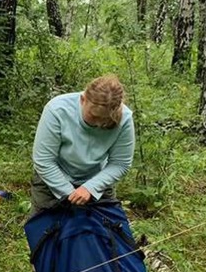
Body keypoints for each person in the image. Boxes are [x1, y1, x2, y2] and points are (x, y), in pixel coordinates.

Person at [30, 75, 135, 215]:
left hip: (97, 179)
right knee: (45, 231)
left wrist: (90, 188)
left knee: (109, 232)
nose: (98, 124)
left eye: (105, 119)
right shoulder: (57, 109)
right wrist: (72, 194)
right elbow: (44, 160)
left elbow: (120, 163)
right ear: (83, 99)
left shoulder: (125, 118)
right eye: (94, 116)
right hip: (52, 178)